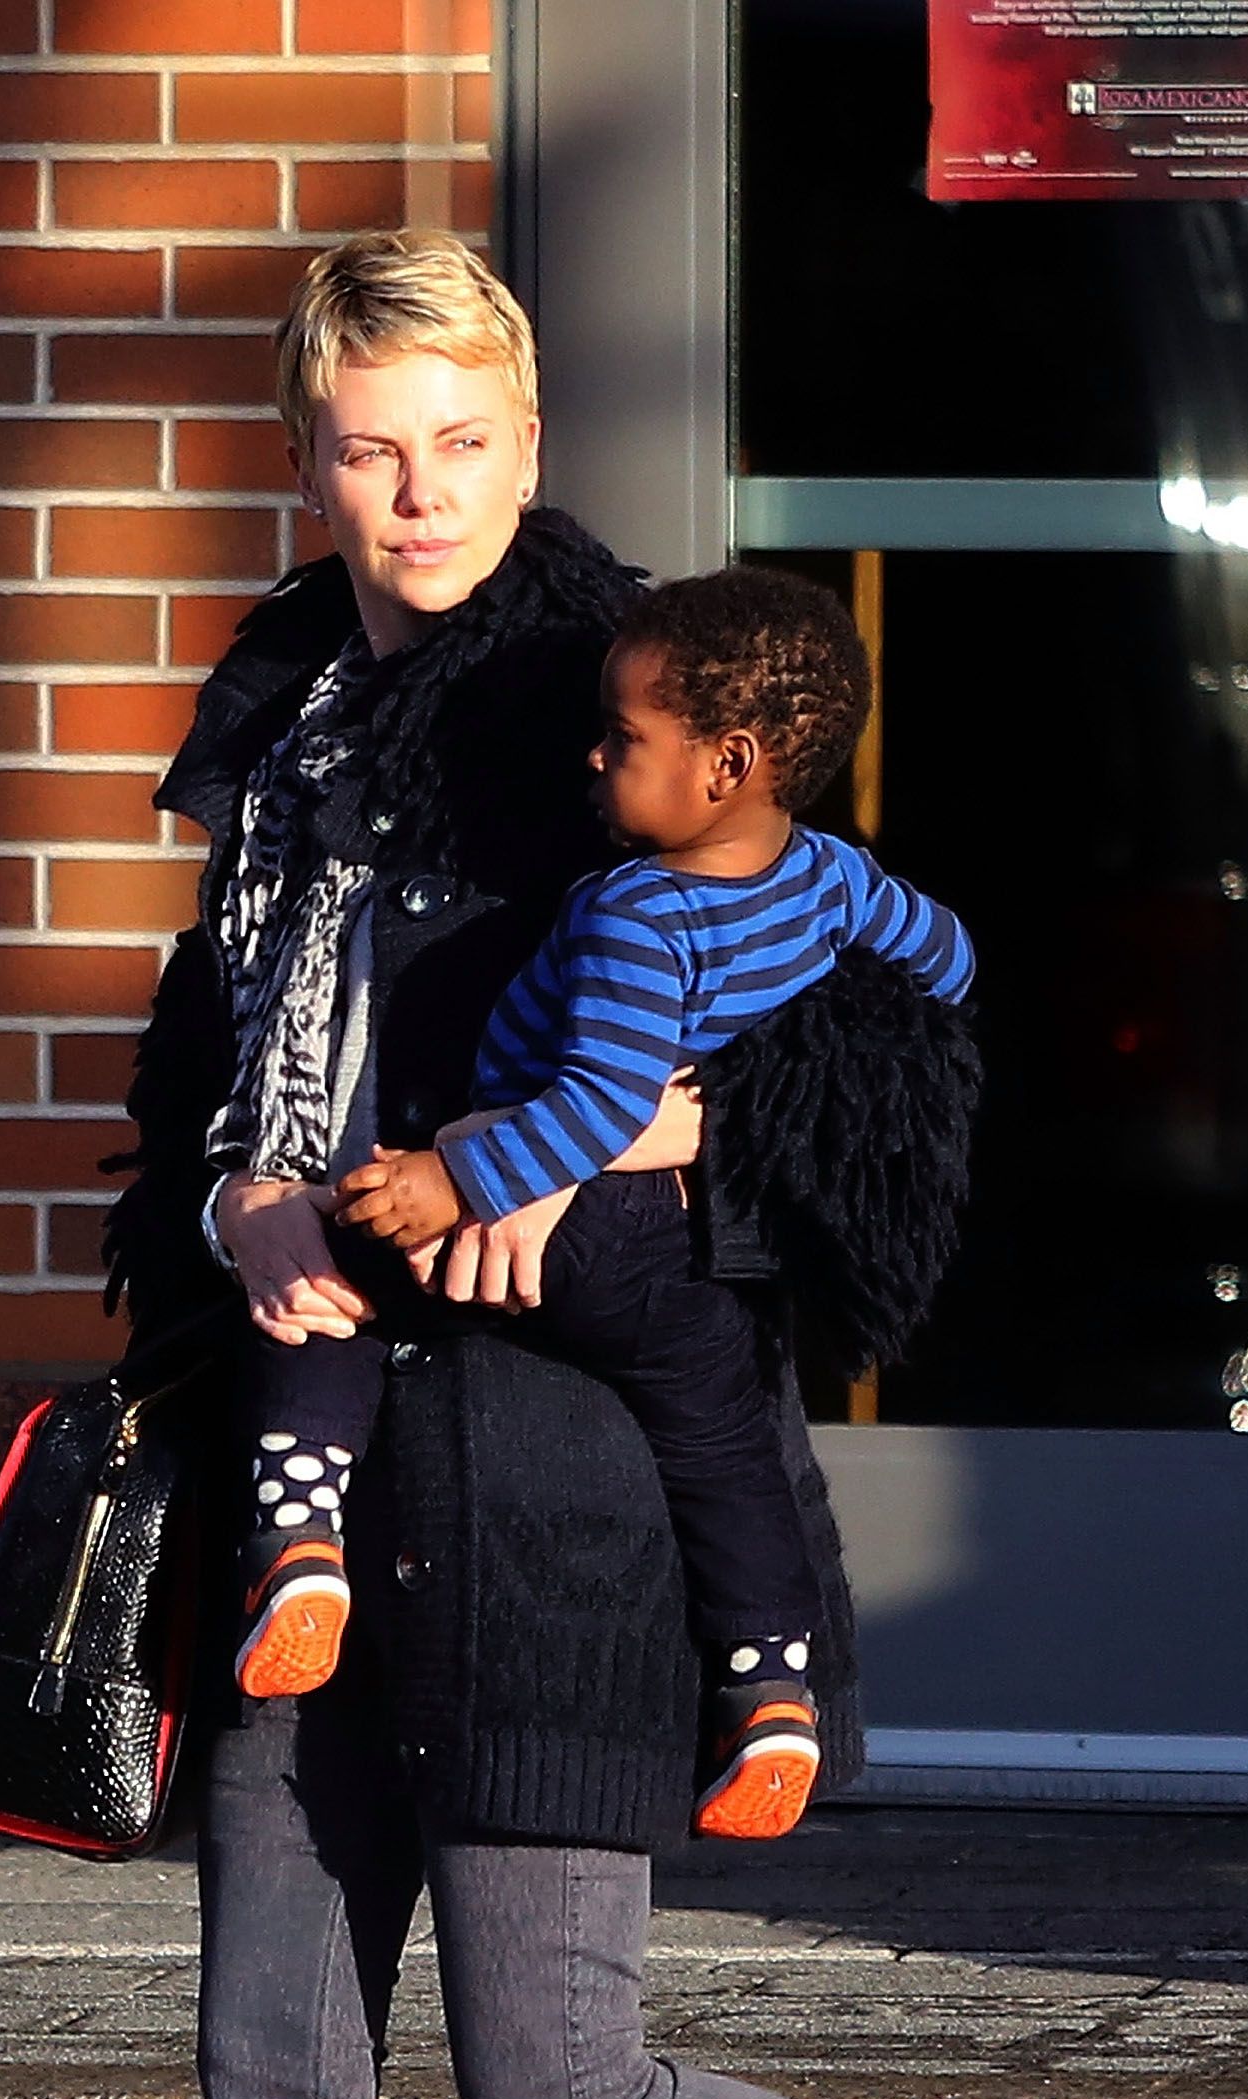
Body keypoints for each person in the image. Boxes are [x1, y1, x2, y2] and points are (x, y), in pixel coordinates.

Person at [92, 228, 1178, 2099]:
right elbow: (206, 1088)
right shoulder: (286, 707)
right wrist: (225, 1212)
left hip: (556, 1487)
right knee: (269, 2083)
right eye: (370, 440)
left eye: (462, 436)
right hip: (308, 1474)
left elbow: (885, 1059)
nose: (417, 489)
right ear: (308, 444)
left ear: (534, 431)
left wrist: (700, 1138)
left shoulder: (641, 693)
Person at [233, 565, 976, 1847]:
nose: (595, 752)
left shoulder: (642, 914)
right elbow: (948, 958)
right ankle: (772, 1695)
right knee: (726, 1457)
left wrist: (448, 1177)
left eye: (626, 738)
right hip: (685, 1265)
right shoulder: (832, 879)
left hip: (572, 1225)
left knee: (334, 1273)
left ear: (727, 762)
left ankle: (299, 1540)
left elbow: (592, 1112)